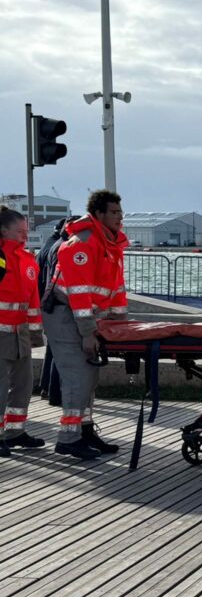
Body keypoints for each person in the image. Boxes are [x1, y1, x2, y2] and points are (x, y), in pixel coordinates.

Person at [41, 189, 128, 459]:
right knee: (77, 378)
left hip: (83, 317)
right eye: (114, 212)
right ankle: (68, 438)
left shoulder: (110, 244)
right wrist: (89, 332)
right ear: (99, 214)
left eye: (121, 212)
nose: (120, 217)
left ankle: (85, 431)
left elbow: (115, 287)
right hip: (65, 315)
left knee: (89, 378)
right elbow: (78, 293)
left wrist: (119, 322)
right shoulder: (83, 243)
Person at [0, 207, 46, 456]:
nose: (25, 236)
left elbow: (33, 300)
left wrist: (35, 332)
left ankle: (15, 432)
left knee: (24, 385)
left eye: (26, 231)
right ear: (3, 230)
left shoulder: (28, 260)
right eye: (20, 231)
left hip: (20, 334)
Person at [36, 218, 69, 405]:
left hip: (47, 303)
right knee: (58, 350)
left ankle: (46, 388)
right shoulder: (60, 247)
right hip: (54, 305)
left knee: (52, 349)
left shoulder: (49, 245)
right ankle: (53, 392)